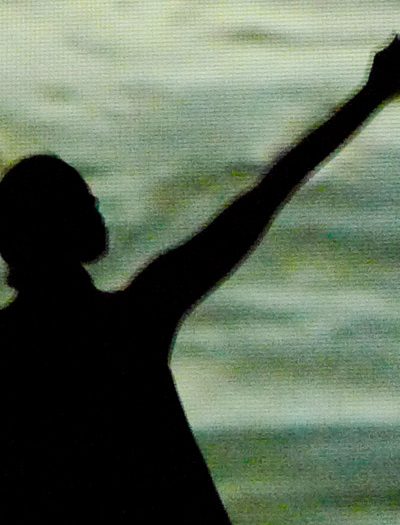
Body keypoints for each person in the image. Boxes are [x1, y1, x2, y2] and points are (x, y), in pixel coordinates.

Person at [0, 36, 399, 524]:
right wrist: (371, 95)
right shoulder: (129, 323)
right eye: (83, 200)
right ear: (58, 226)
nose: (96, 207)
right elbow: (268, 193)